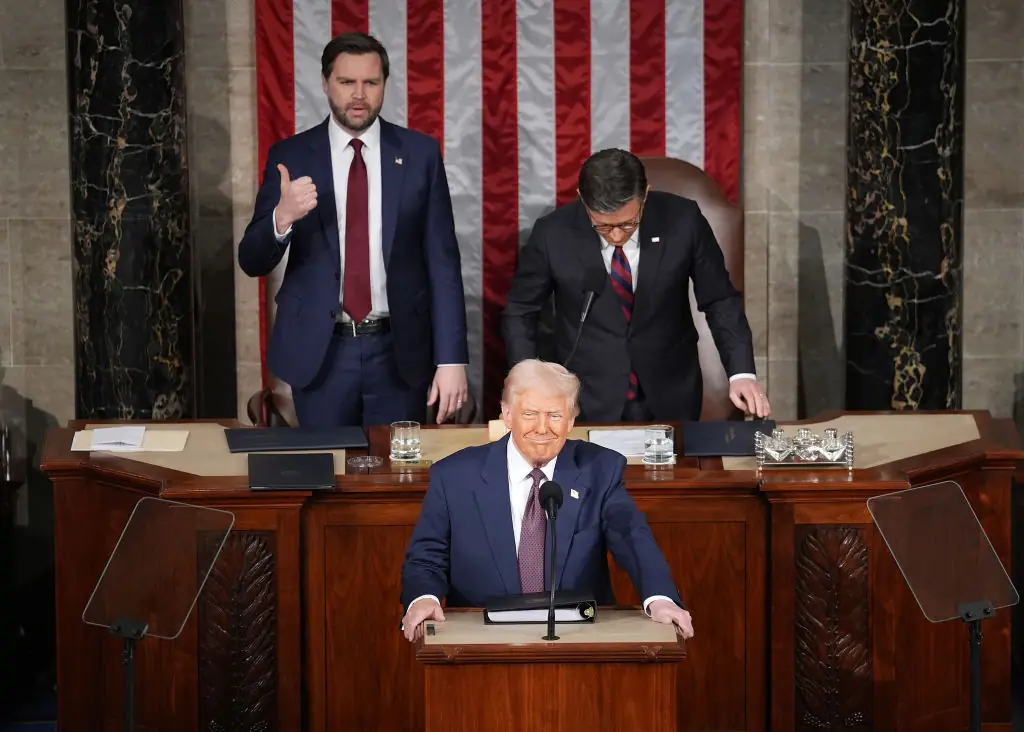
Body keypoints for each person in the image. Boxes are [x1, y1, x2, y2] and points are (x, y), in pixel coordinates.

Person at [238, 32, 469, 428]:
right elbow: (252, 259)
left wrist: (451, 359)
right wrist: (282, 217)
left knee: (398, 465)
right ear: (326, 83)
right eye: (347, 82)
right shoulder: (291, 155)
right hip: (321, 352)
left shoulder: (420, 154)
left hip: (399, 352)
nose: (359, 95)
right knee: (326, 464)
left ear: (384, 84)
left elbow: (443, 261)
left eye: (371, 82)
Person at [400, 359, 693, 642]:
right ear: (507, 414)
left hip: (578, 637)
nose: (542, 428)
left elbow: (632, 537)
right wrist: (423, 598)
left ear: (571, 420)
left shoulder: (600, 470)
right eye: (530, 414)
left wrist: (660, 598)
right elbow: (427, 555)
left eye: (555, 415)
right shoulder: (455, 476)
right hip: (481, 635)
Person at [502, 149, 770, 423]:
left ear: (645, 195)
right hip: (586, 395)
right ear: (583, 198)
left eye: (628, 223)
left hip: (671, 390)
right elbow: (521, 310)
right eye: (603, 226)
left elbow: (720, 300)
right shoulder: (552, 234)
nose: (617, 235)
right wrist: (526, 378)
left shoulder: (683, 220)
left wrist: (741, 373)